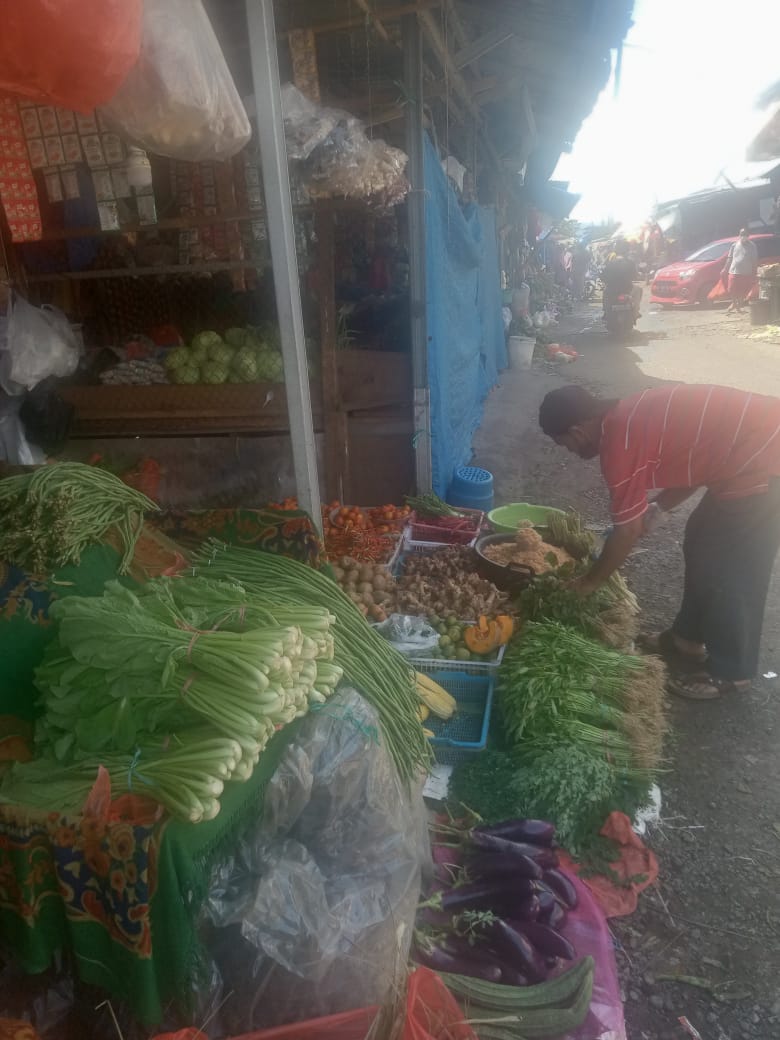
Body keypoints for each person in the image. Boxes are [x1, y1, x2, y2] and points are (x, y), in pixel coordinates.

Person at [538, 383, 780, 700]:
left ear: (577, 429)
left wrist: (590, 582)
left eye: (563, 443)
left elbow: (627, 531)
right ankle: (687, 639)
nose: (569, 449)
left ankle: (732, 672)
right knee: (701, 541)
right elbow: (694, 462)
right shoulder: (624, 415)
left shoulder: (618, 442)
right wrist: (660, 508)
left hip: (764, 457)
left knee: (729, 565)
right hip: (745, 452)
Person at [602, 243, 642, 319]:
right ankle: (636, 312)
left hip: (612, 290)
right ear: (626, 251)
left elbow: (603, 276)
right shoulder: (630, 263)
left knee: (605, 293)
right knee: (639, 290)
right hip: (628, 289)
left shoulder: (610, 263)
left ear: (616, 251)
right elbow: (635, 276)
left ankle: (606, 312)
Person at [723, 228, 758, 314]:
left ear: (748, 236)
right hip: (734, 270)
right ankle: (734, 304)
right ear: (739, 235)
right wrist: (724, 268)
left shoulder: (752, 246)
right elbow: (729, 258)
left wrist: (755, 271)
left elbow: (754, 260)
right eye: (742, 234)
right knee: (731, 289)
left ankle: (739, 306)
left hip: (746, 272)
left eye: (745, 235)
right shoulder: (734, 245)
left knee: (743, 291)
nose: (743, 236)